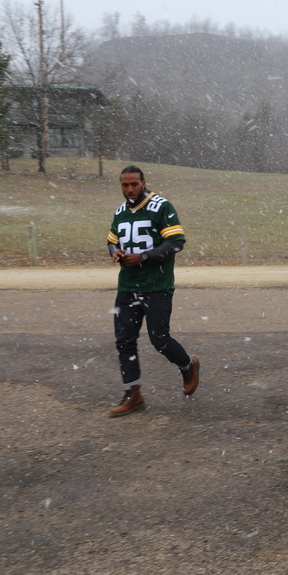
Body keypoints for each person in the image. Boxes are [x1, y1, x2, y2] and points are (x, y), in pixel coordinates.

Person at [106, 165, 200, 417]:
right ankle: (133, 393)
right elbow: (112, 240)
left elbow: (177, 242)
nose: (129, 189)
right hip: (127, 286)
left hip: (157, 286)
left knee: (159, 339)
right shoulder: (120, 211)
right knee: (124, 340)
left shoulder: (162, 207)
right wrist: (114, 252)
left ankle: (187, 364)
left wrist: (145, 257)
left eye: (134, 184)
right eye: (124, 185)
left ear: (144, 182)